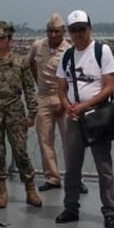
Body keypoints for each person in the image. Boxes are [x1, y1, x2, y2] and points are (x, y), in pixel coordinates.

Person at [54, 10, 114, 228]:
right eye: (73, 30)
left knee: (104, 166)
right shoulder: (67, 56)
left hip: (98, 116)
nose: (78, 34)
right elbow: (61, 89)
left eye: (82, 29)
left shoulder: (102, 51)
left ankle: (109, 211)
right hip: (74, 117)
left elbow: (110, 86)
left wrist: (85, 105)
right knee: (72, 166)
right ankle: (70, 207)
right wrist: (68, 107)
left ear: (89, 29)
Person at [0, 21, 41, 209]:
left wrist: (32, 112)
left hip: (15, 111)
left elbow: (29, 88)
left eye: (1, 38)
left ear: (9, 39)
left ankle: (30, 189)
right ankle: (1, 191)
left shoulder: (20, 62)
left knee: (21, 152)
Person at [27, 13, 73, 191]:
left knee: (70, 141)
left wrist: (65, 100)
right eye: (49, 31)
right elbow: (29, 63)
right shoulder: (38, 45)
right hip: (43, 97)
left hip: (63, 97)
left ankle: (75, 178)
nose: (53, 34)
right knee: (45, 140)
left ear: (63, 32)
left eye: (56, 31)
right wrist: (37, 81)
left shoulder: (69, 50)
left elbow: (73, 77)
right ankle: (52, 177)